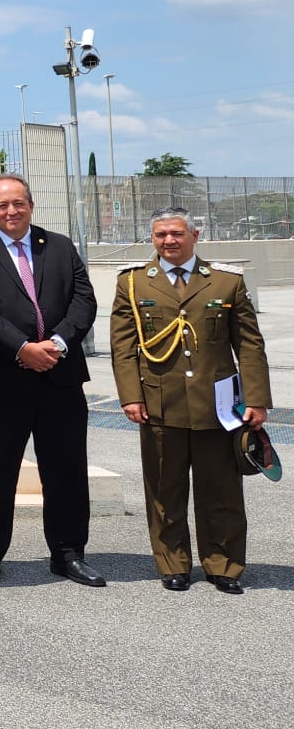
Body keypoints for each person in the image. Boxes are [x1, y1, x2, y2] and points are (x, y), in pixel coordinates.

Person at [111, 208, 272, 593]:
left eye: (177, 233)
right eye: (161, 234)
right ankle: (173, 563)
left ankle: (224, 565)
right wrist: (130, 396)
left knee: (221, 490)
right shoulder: (134, 283)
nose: (169, 241)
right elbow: (123, 346)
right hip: (158, 404)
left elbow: (249, 344)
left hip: (216, 406)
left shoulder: (225, 282)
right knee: (165, 490)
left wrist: (257, 398)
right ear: (153, 239)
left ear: (194, 236)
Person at [0, 176, 103, 588]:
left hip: (60, 377)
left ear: (31, 205)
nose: (11, 211)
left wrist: (56, 343)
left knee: (67, 469)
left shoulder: (58, 246)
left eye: (18, 203)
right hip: (0, 382)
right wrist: (22, 348)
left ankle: (68, 552)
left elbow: (83, 299)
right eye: (2, 205)